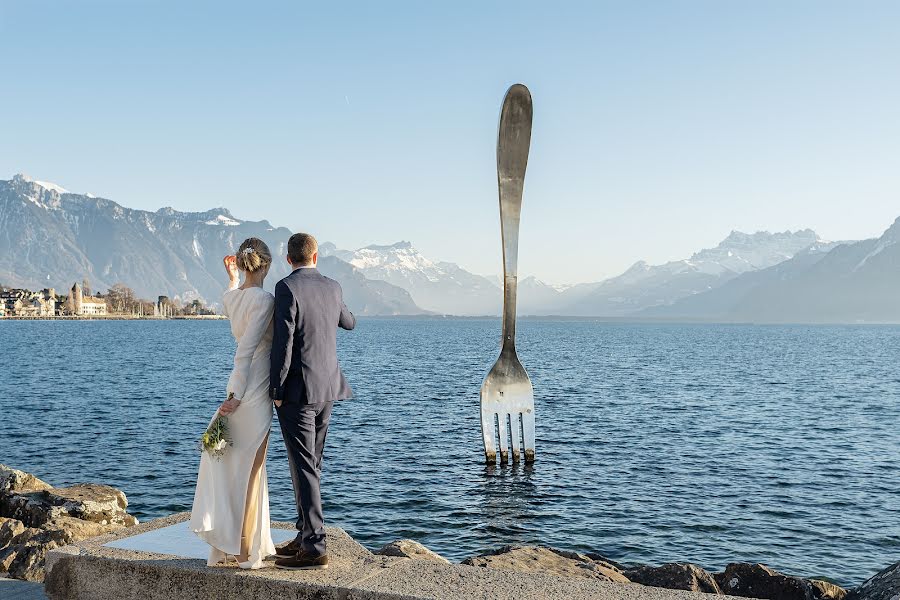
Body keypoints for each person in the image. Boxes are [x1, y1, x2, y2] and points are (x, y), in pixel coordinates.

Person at [269, 232, 356, 571]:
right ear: (316, 257)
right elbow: (349, 322)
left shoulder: (286, 288)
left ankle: (315, 545)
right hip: (328, 389)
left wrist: (275, 389)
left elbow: (284, 344)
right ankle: (306, 533)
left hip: (297, 392)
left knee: (304, 465)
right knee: (312, 464)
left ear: (288, 259)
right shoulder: (333, 287)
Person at [189, 237, 276, 570]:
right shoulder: (265, 300)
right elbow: (247, 349)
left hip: (238, 388)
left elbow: (230, 295)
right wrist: (238, 395)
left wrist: (231, 278)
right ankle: (242, 552)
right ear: (266, 265)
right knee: (250, 472)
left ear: (241, 265)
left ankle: (233, 547)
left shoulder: (233, 297)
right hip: (252, 391)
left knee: (235, 469)